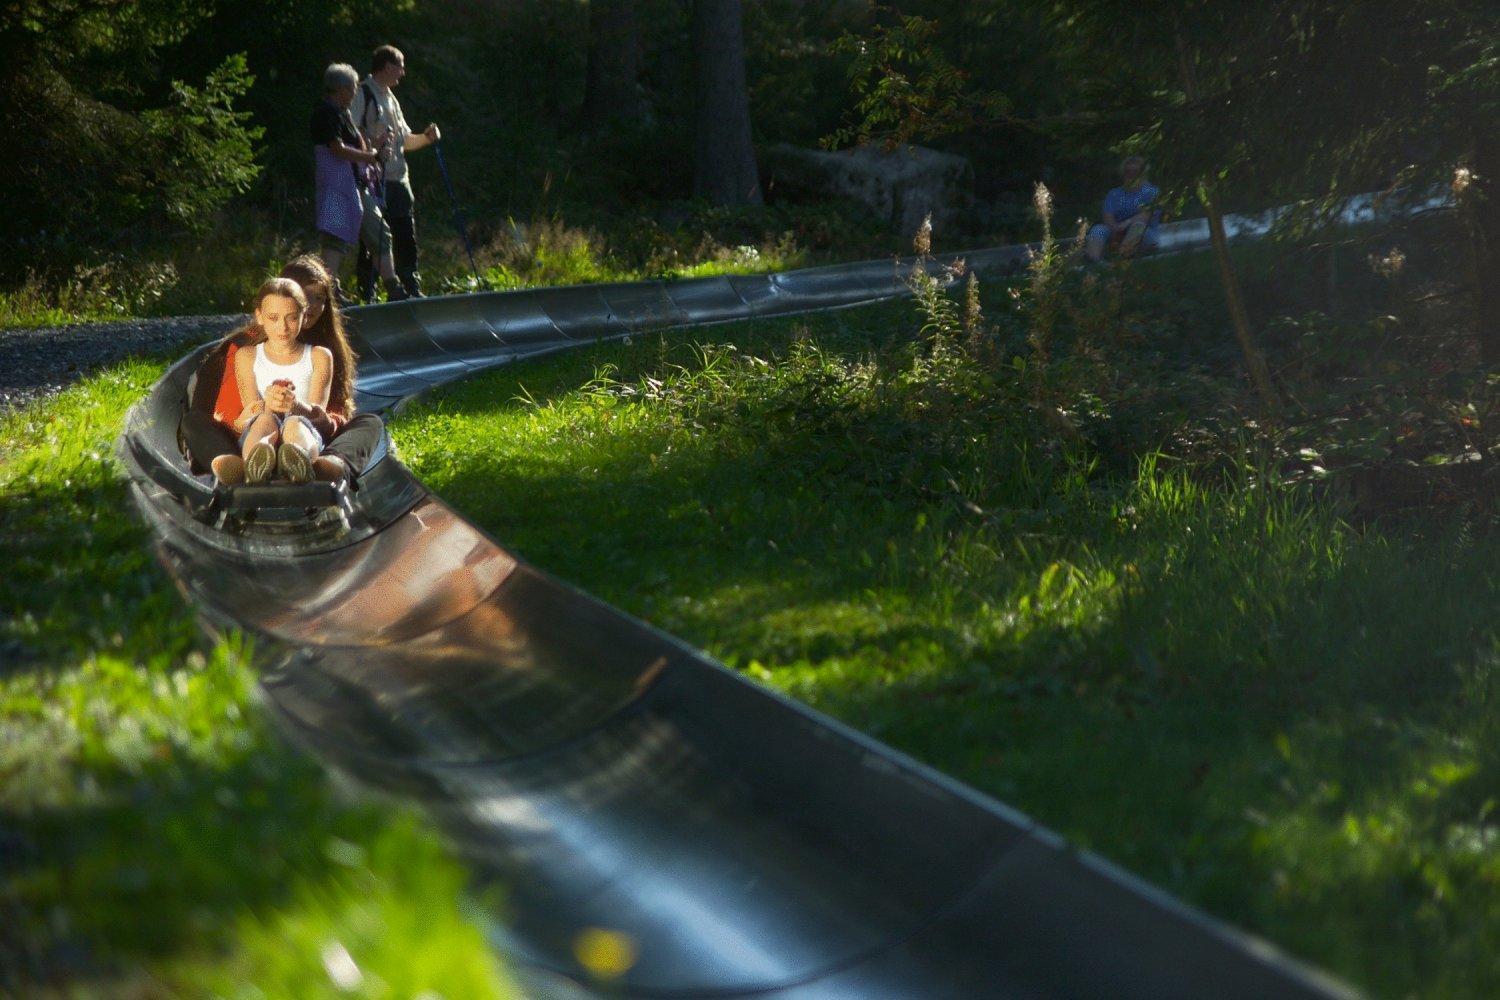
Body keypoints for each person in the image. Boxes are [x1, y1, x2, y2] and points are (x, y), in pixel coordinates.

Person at [180, 257, 383, 487]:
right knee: (196, 422)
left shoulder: (324, 352)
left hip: (307, 434)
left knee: (370, 422)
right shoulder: (244, 349)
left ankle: (325, 466)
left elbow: (333, 412)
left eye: (319, 298)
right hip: (245, 433)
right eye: (306, 296)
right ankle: (234, 464)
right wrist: (261, 411)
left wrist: (314, 416)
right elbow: (219, 410)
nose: (313, 306)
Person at [311, 62, 408, 303]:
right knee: (335, 237)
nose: (355, 93)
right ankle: (330, 293)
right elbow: (338, 149)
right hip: (335, 186)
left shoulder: (342, 113)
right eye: (353, 88)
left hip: (354, 185)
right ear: (341, 88)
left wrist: (376, 144)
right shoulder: (325, 112)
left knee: (379, 231)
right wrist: (372, 156)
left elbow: (354, 146)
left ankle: (393, 287)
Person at [351, 44, 442, 300]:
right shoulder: (363, 93)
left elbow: (405, 141)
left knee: (405, 235)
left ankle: (410, 287)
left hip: (399, 180)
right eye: (400, 66)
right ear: (388, 66)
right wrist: (372, 147)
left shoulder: (391, 98)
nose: (403, 72)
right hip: (372, 179)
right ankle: (367, 291)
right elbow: (350, 134)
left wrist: (426, 138)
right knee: (373, 236)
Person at [1084, 155, 1161, 262]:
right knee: (1098, 229)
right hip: (1117, 231)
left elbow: (1145, 216)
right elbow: (1107, 217)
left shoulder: (1152, 192)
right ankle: (1095, 262)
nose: (1130, 175)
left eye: (1135, 172)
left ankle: (1120, 261)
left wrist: (1126, 224)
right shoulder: (1114, 194)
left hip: (1145, 234)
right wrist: (1116, 228)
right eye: (1127, 171)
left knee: (1137, 227)